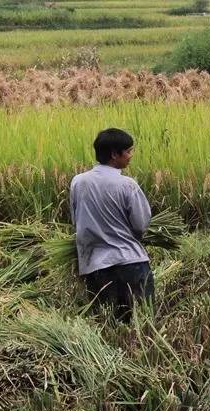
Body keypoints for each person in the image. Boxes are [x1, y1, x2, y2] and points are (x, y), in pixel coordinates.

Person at [70, 128, 154, 323]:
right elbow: (141, 224)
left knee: (107, 325)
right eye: (128, 151)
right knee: (143, 324)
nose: (130, 156)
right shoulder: (127, 185)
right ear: (115, 154)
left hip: (95, 267)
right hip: (130, 263)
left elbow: (76, 222)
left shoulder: (78, 182)